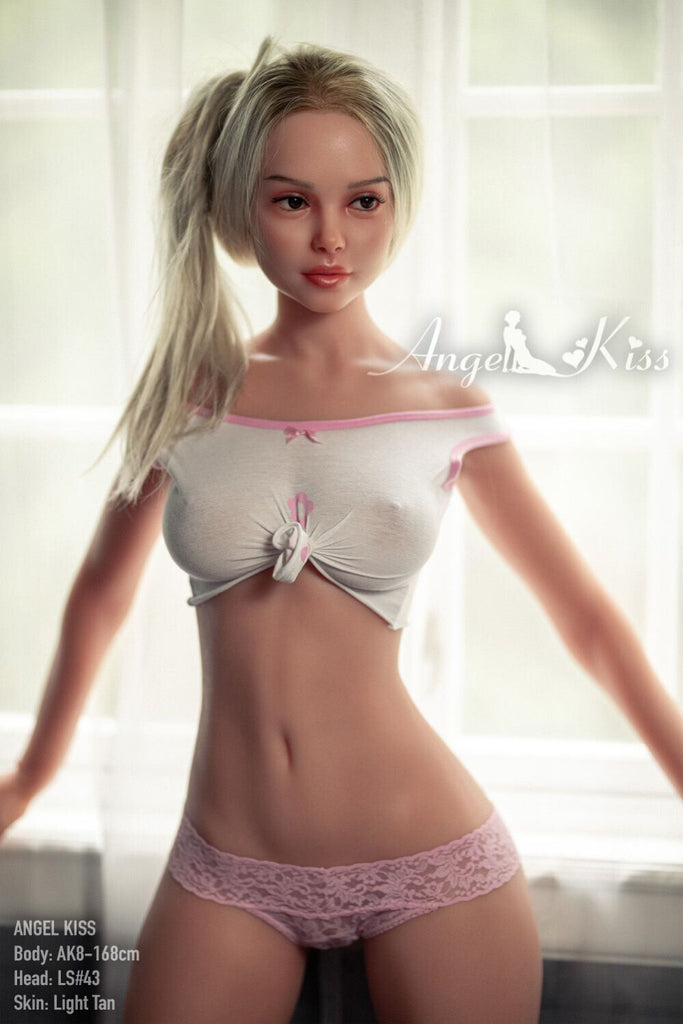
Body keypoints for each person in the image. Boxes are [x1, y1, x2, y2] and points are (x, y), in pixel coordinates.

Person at [2, 37, 682, 1024]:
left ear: (397, 205)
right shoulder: (189, 395)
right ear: (240, 207)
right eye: (293, 201)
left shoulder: (441, 405)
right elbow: (101, 594)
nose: (331, 238)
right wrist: (29, 776)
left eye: (363, 201)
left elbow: (582, 616)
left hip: (433, 858)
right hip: (226, 866)